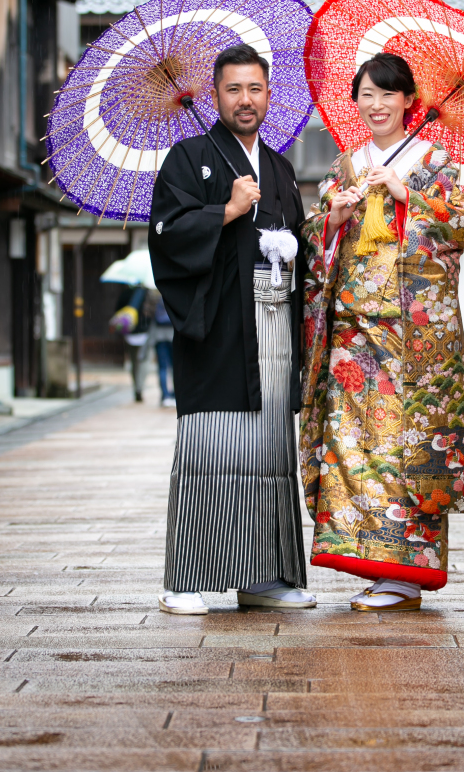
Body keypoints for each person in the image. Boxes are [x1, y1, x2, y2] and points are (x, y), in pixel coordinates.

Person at [300, 52, 464, 612]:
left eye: (387, 94)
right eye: (366, 95)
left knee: (406, 452)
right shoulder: (347, 164)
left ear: (409, 102)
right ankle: (371, 564)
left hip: (409, 339)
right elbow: (314, 236)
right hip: (353, 335)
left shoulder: (432, 160)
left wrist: (407, 194)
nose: (376, 105)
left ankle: (406, 576)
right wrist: (334, 216)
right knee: (353, 451)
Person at [149, 43, 315, 615]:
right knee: (210, 450)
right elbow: (167, 235)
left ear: (269, 95)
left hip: (272, 333)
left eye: (255, 89)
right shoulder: (186, 158)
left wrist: (323, 228)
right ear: (216, 95)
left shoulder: (283, 169)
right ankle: (189, 580)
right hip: (219, 331)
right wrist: (225, 209)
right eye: (233, 89)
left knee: (270, 455)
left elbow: (301, 248)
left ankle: (264, 578)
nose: (245, 100)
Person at [146, 291, 175, 407]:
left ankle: (165, 395)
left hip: (158, 335)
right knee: (175, 367)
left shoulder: (154, 295)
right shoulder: (174, 292)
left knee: (162, 367)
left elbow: (148, 314)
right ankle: (175, 395)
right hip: (173, 334)